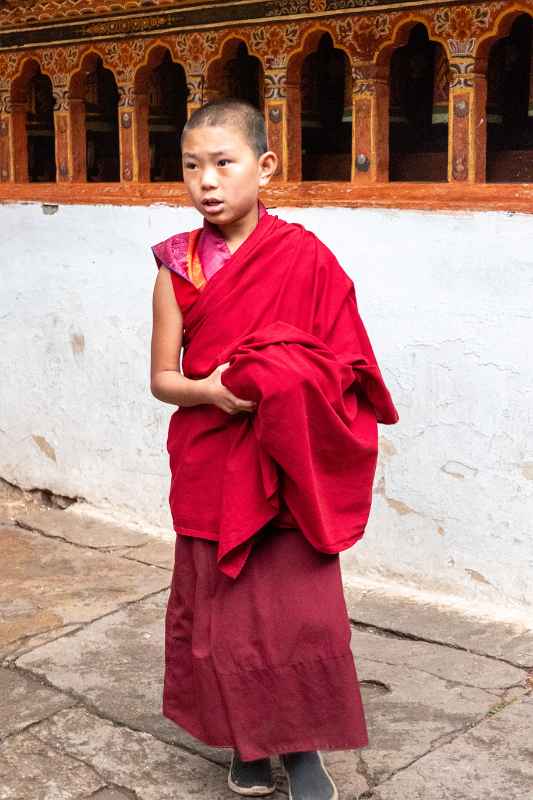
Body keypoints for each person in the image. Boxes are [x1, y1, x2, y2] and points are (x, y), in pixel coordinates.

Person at [150, 97, 399, 800]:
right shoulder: (176, 269)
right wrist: (215, 390)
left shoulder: (306, 258)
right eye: (191, 166)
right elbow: (164, 379)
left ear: (263, 167)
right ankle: (246, 745)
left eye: (223, 164)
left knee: (298, 615)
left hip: (289, 460)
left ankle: (302, 747)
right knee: (222, 621)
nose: (206, 181)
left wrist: (291, 383)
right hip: (212, 456)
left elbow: (350, 363)